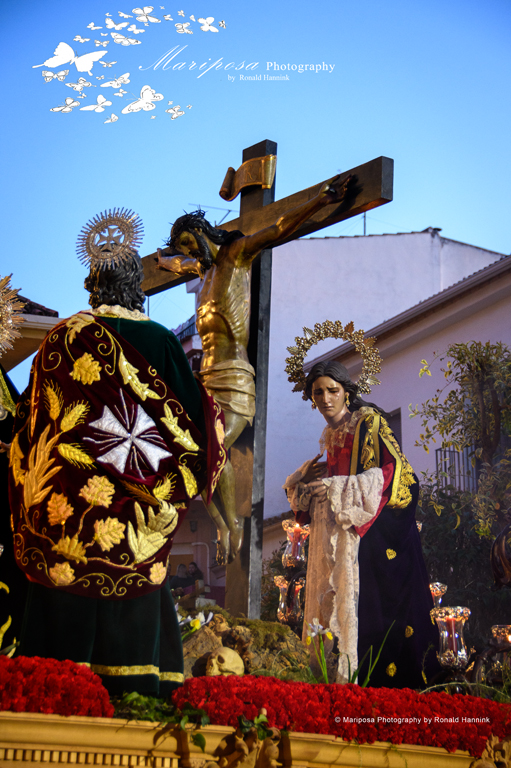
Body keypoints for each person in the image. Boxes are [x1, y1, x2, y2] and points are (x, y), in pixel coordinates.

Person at [8, 210, 226, 696]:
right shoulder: (160, 341)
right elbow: (194, 426)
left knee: (56, 636)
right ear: (136, 285)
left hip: (66, 513)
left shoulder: (61, 339)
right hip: (135, 512)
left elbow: (29, 425)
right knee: (136, 590)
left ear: (92, 286)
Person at [156, 174, 353, 563]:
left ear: (201, 232)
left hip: (234, 377)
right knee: (197, 453)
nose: (189, 253)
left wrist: (318, 202)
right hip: (205, 380)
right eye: (184, 249)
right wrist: (161, 261)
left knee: (211, 446)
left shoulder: (237, 254)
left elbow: (278, 228)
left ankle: (231, 526)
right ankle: (225, 524)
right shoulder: (201, 271)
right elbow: (175, 263)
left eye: (190, 243)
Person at [283, 360, 438, 687]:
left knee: (377, 617)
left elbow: (400, 475)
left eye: (332, 390)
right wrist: (308, 481)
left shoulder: (369, 422)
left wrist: (337, 487)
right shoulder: (330, 435)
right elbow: (327, 490)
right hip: (343, 537)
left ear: (346, 392)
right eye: (318, 393)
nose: (325, 399)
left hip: (376, 535)